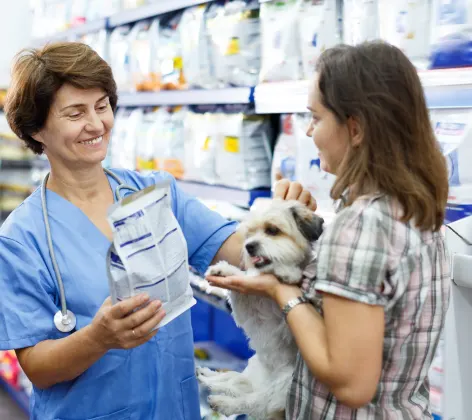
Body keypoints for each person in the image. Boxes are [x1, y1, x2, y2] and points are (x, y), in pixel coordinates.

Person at [0, 42, 316, 420]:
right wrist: (97, 338)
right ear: (36, 129)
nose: (96, 124)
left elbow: (240, 251)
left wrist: (282, 225)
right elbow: (37, 365)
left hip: (173, 408)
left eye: (102, 106)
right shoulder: (22, 238)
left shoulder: (156, 194)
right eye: (75, 113)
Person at [207, 41, 451, 419]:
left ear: (354, 128)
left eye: (316, 118)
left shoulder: (362, 227)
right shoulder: (417, 208)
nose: (308, 132)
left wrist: (281, 290)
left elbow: (351, 383)